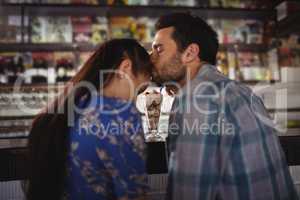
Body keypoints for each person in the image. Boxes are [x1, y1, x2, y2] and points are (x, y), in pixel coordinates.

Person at [151, 13, 299, 200]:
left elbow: (187, 192)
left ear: (190, 53)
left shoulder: (196, 98)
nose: (151, 57)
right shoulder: (243, 91)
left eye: (158, 49)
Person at [26, 39, 152, 200]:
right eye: (140, 89)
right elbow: (135, 194)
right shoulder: (120, 114)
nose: (136, 99)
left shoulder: (60, 112)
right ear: (125, 68)